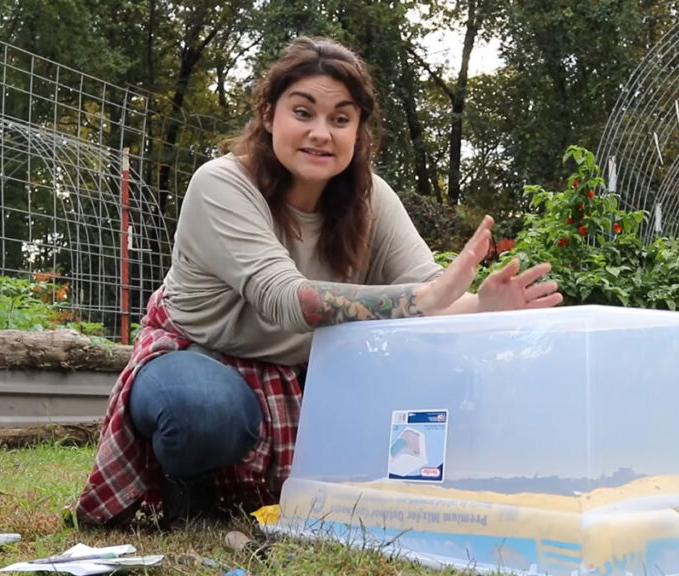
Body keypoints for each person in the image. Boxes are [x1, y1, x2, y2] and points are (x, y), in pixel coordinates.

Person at [73, 36, 563, 529]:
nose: (321, 134)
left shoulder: (371, 200)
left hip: (311, 374)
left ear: (359, 131)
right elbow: (289, 300)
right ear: (268, 115)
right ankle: (191, 495)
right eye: (303, 112)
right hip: (199, 355)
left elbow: (428, 303)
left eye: (340, 119)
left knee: (438, 377)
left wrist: (484, 306)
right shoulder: (221, 184)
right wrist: (426, 298)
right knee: (203, 409)